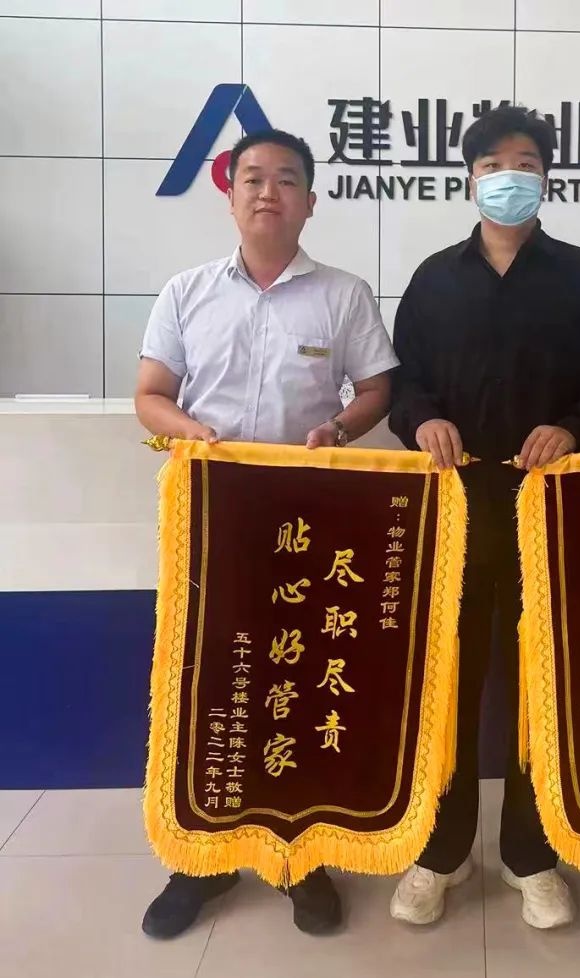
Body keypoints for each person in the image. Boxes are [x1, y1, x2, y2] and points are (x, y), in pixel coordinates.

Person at [135, 128, 398, 938]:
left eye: (286, 179)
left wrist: (341, 429)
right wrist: (188, 431)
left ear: (309, 201)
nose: (267, 192)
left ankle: (299, 856)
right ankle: (200, 859)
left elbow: (378, 388)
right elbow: (150, 393)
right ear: (230, 195)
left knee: (299, 678)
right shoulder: (187, 291)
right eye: (252, 178)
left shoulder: (343, 294)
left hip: (309, 522)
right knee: (207, 680)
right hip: (212, 515)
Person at [387, 105, 580, 930]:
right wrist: (423, 418)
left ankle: (533, 856)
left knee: (540, 688)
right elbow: (403, 383)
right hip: (456, 514)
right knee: (447, 685)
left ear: (547, 178)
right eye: (493, 163)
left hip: (547, 515)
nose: (509, 177)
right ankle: (441, 852)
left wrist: (573, 430)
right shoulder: (434, 279)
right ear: (469, 177)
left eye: (525, 162)